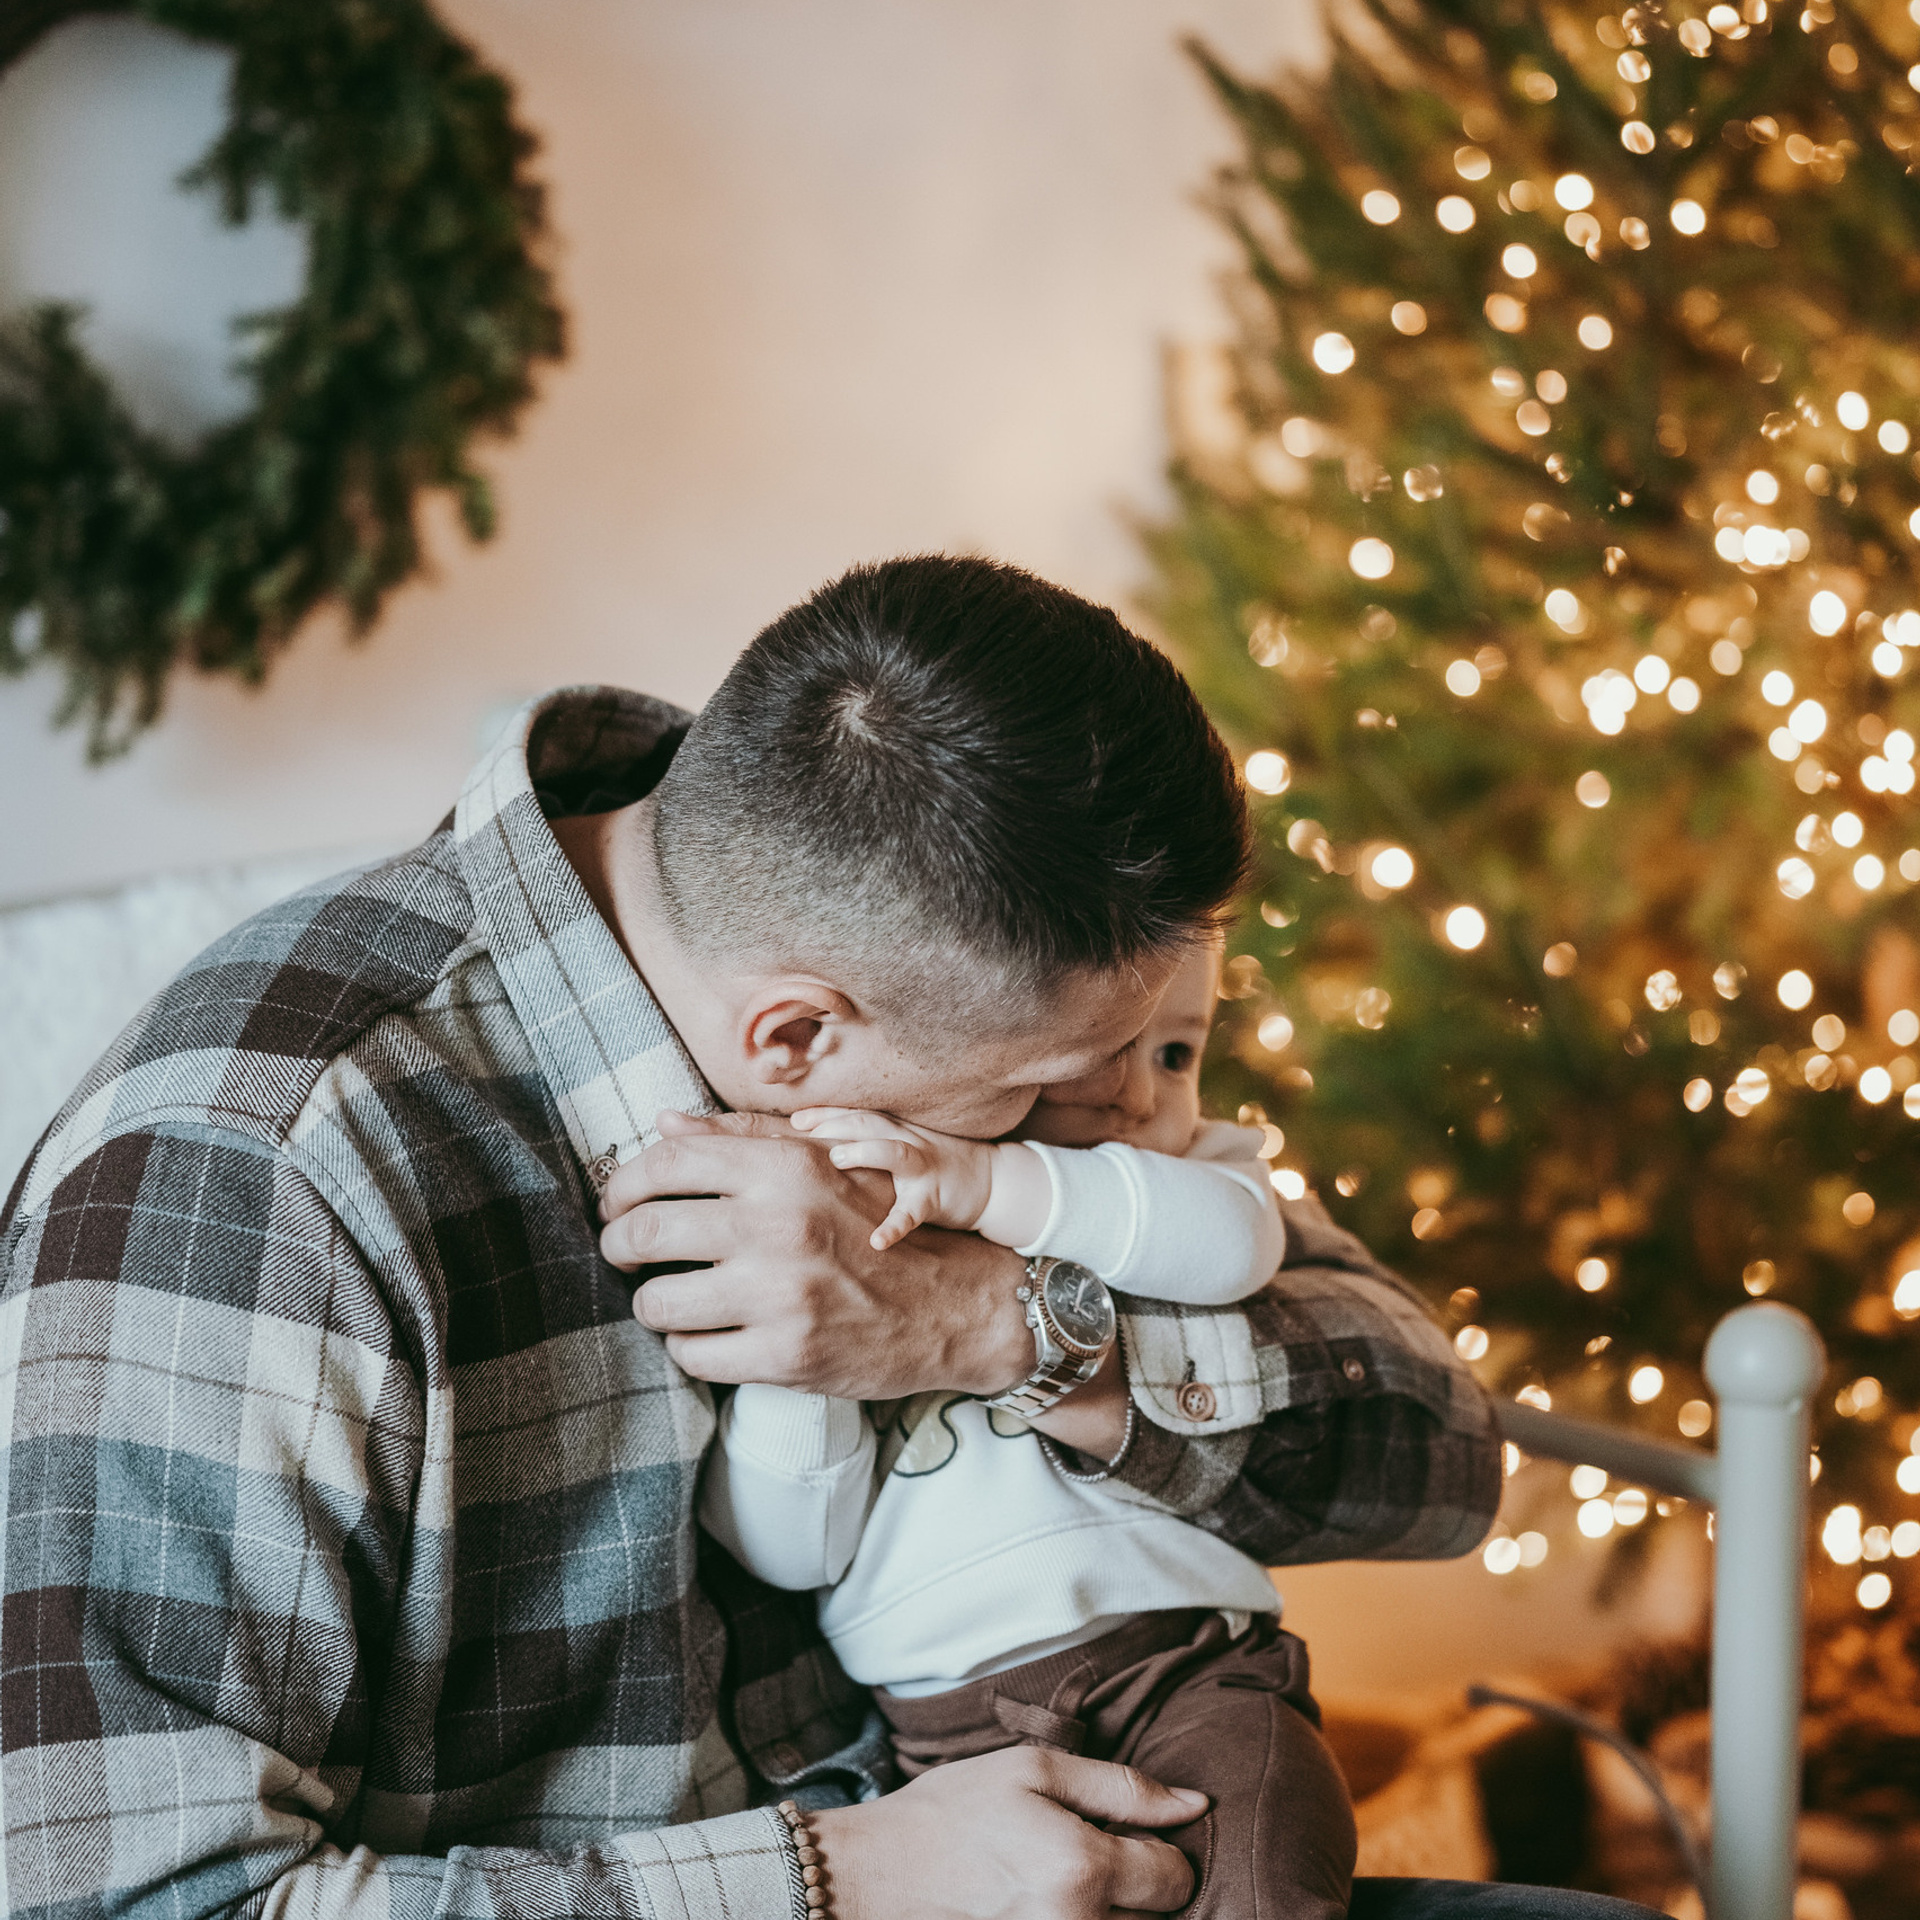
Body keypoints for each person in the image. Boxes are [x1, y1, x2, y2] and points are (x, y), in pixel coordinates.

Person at [0, 554, 1631, 1920]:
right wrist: (842, 1881)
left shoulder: (963, 971)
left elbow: (1438, 1452)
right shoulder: (255, 1176)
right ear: (793, 1043)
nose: (1133, 1113)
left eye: (1170, 1056)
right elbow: (138, 1898)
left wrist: (1004, 1321)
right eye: (1061, 1091)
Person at [696, 936, 1356, 1919]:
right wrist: (809, 1364)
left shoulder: (1175, 1176)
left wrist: (987, 1185)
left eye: (1176, 1054)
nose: (1138, 1092)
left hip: (1181, 1667)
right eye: (1105, 1049)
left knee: (1258, 1869)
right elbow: (786, 1549)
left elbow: (1231, 1249)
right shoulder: (870, 1193)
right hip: (948, 1738)